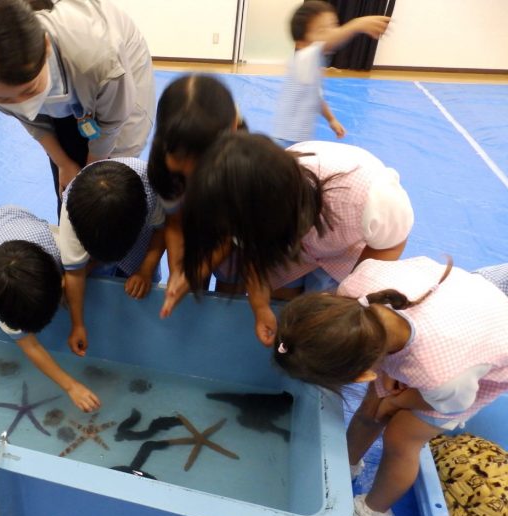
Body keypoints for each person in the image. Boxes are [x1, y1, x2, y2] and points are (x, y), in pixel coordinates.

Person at [273, 256, 508, 516]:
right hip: (452, 308)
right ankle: (344, 465)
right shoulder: (356, 294)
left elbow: (455, 402)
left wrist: (397, 401)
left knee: (401, 437)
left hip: (482, 340)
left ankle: (374, 513)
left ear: (363, 374)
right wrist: (386, 389)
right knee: (371, 408)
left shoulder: (441, 373)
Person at [167, 132, 413, 346]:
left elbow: (391, 243)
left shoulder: (371, 197)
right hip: (293, 239)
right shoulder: (244, 203)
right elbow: (254, 257)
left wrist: (353, 292)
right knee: (284, 300)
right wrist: (261, 307)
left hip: (349, 249)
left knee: (330, 313)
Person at [0, 0, 154, 213]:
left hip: (113, 61)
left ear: (47, 45)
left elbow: (112, 123)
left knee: (113, 173)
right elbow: (30, 119)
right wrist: (63, 164)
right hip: (73, 68)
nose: (22, 104)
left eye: (30, 91)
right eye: (4, 100)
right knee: (68, 174)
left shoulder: (99, 58)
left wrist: (92, 171)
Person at [0, 205, 100, 412]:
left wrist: (78, 323)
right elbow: (30, 346)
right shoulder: (2, 295)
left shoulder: (58, 244)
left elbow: (82, 265)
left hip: (15, 218)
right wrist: (71, 386)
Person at [146, 74, 245, 312]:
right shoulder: (161, 164)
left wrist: (197, 270)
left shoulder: (243, 163)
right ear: (163, 139)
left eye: (203, 161)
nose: (192, 173)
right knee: (190, 283)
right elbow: (174, 221)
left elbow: (235, 234)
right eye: (180, 160)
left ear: (233, 127)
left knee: (230, 286)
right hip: (193, 227)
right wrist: (180, 272)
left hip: (231, 234)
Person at [59, 158, 164, 356]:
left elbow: (162, 230)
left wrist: (145, 270)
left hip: (140, 243)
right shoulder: (72, 213)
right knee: (92, 277)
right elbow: (74, 271)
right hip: (99, 240)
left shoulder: (154, 189)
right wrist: (78, 325)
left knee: (144, 287)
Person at [272, 1, 390, 147]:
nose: (333, 33)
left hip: (299, 140)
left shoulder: (313, 64)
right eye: (322, 30)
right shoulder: (303, 58)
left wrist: (331, 120)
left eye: (333, 26)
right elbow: (329, 42)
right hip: (286, 139)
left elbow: (316, 97)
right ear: (301, 42)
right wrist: (356, 25)